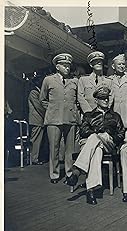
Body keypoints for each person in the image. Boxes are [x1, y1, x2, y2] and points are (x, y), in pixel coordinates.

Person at [67, 86, 125, 205]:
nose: (105, 100)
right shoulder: (89, 115)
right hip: (92, 145)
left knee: (97, 137)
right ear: (96, 100)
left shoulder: (115, 116)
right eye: (102, 98)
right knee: (96, 149)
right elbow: (83, 131)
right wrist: (98, 132)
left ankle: (77, 169)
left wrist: (109, 136)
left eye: (107, 98)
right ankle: (91, 190)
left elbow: (121, 134)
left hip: (108, 143)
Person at [40, 53, 80, 184]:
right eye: (64, 65)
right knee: (54, 147)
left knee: (70, 148)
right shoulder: (48, 80)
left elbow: (78, 100)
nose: (67, 67)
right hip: (53, 119)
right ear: (57, 67)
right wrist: (52, 108)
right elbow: (42, 99)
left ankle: (69, 173)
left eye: (68, 65)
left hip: (70, 118)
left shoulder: (74, 81)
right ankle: (54, 174)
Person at [107, 54, 127, 128]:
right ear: (113, 66)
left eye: (123, 64)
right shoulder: (109, 80)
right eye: (119, 64)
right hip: (113, 115)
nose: (122, 66)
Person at [28, 75, 46, 165]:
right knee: (35, 140)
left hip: (39, 120)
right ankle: (34, 159)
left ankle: (36, 157)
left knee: (38, 140)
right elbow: (39, 107)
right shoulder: (33, 93)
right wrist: (47, 114)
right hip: (36, 120)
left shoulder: (37, 92)